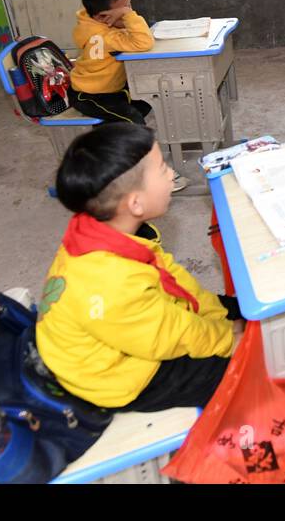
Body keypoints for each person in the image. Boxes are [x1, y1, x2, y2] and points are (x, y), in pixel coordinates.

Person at [36, 123, 243, 411]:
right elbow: (173, 333)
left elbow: (174, 281)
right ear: (135, 203)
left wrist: (220, 314)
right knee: (242, 370)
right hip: (118, 377)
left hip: (137, 330)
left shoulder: (109, 231)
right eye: (162, 169)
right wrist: (229, 341)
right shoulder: (110, 284)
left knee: (240, 310)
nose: (172, 175)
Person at [69, 0, 155, 126]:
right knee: (133, 120)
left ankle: (109, 131)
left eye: (128, 6)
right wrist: (128, 15)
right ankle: (120, 144)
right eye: (123, 11)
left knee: (148, 99)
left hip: (112, 88)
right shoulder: (106, 37)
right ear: (102, 17)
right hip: (92, 96)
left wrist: (124, 16)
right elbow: (144, 42)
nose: (129, 12)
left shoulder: (93, 22)